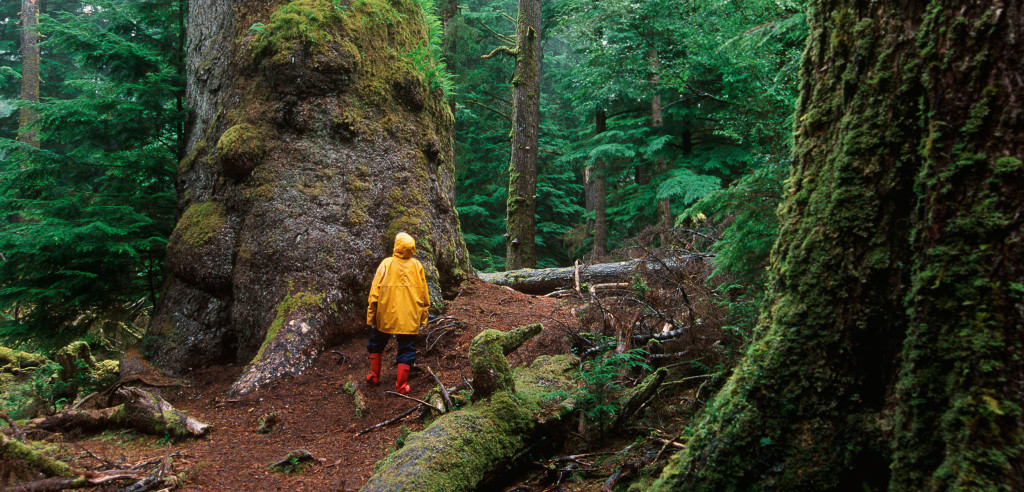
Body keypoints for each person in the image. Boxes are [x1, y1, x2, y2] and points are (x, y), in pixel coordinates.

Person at [365, 232, 430, 394]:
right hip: (410, 318)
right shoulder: (417, 266)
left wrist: (372, 317)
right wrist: (422, 319)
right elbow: (424, 295)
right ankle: (401, 386)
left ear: (396, 245)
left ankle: (374, 377)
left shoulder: (386, 264)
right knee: (406, 349)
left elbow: (374, 293)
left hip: (386, 316)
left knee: (376, 343)